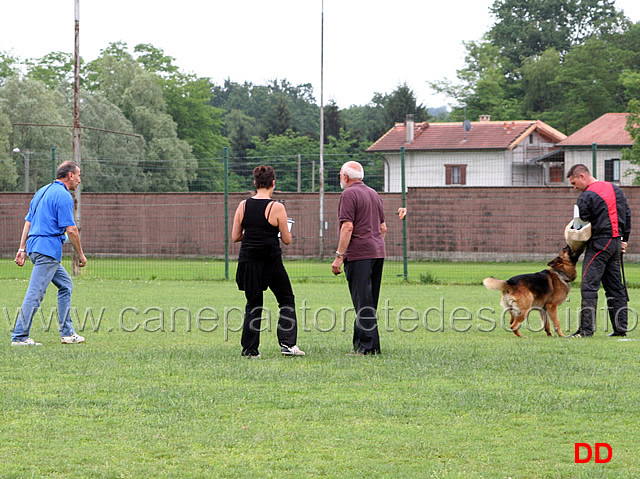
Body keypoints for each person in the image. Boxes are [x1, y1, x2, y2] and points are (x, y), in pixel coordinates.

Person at [232, 165, 305, 358]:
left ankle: (250, 350)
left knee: (253, 304)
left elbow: (235, 236)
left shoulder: (243, 206)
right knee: (286, 299)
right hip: (270, 262)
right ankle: (288, 344)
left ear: (255, 183)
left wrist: (253, 231)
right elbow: (287, 240)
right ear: (273, 183)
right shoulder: (277, 207)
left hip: (248, 261)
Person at [12, 161, 87, 346]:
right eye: (78, 175)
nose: (79, 180)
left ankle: (68, 333)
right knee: (35, 293)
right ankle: (19, 337)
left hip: (35, 248)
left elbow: (28, 222)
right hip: (48, 251)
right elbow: (72, 230)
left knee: (65, 285)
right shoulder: (63, 196)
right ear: (70, 175)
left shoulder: (41, 192)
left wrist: (22, 249)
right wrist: (81, 255)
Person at [566, 164, 631, 338]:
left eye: (574, 183)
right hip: (616, 244)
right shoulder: (615, 189)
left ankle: (585, 331)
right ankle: (620, 329)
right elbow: (627, 215)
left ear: (582, 176)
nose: (574, 187)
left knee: (589, 287)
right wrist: (625, 239)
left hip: (599, 244)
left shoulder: (586, 196)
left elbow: (581, 224)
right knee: (616, 287)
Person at [332, 161, 387, 355]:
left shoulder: (348, 194)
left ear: (345, 177)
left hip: (359, 254)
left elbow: (347, 227)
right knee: (369, 301)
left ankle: (369, 347)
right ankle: (360, 344)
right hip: (377, 252)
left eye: (340, 175)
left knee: (362, 301)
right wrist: (375, 245)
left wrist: (339, 256)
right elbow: (383, 228)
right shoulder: (374, 194)